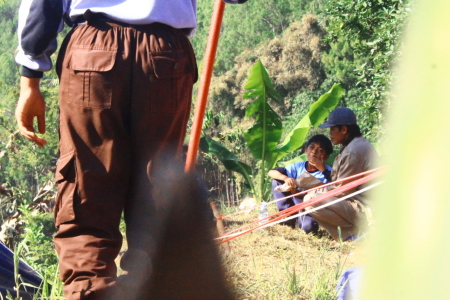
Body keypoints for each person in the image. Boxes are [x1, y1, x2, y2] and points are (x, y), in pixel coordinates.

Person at [14, 1, 199, 299]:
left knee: (87, 190)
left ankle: (90, 291)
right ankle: (158, 287)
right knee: (159, 188)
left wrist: (30, 76)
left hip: (92, 53)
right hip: (166, 58)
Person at [304, 107, 378, 241]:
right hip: (358, 204)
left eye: (332, 129)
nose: (330, 133)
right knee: (311, 197)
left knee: (310, 201)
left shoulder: (353, 151)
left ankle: (355, 235)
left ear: (344, 130)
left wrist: (317, 190)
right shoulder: (353, 145)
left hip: (366, 209)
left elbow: (342, 190)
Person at [268, 134, 333, 233]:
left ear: (326, 156)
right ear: (306, 150)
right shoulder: (298, 166)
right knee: (277, 181)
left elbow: (335, 189)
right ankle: (287, 216)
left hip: (309, 207)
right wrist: (286, 178)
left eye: (320, 150)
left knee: (308, 228)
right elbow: (271, 172)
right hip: (294, 200)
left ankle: (304, 220)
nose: (314, 152)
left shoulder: (328, 173)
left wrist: (322, 169)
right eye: (311, 147)